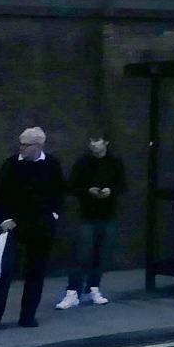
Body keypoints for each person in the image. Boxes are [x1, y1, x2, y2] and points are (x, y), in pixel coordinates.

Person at [0, 127, 63, 332]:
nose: (21, 148)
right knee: (3, 273)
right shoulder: (11, 165)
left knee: (35, 273)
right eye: (20, 144)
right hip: (14, 226)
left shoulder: (52, 164)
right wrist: (4, 219)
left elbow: (59, 192)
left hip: (41, 226)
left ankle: (28, 316)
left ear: (38, 146)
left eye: (26, 145)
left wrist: (54, 215)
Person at [57, 132, 122, 310]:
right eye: (91, 141)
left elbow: (122, 184)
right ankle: (72, 291)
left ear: (106, 142)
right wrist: (88, 190)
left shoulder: (114, 162)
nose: (93, 144)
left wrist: (110, 190)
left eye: (97, 141)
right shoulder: (83, 162)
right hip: (86, 214)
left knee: (101, 254)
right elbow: (71, 186)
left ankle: (93, 288)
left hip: (108, 214)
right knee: (81, 254)